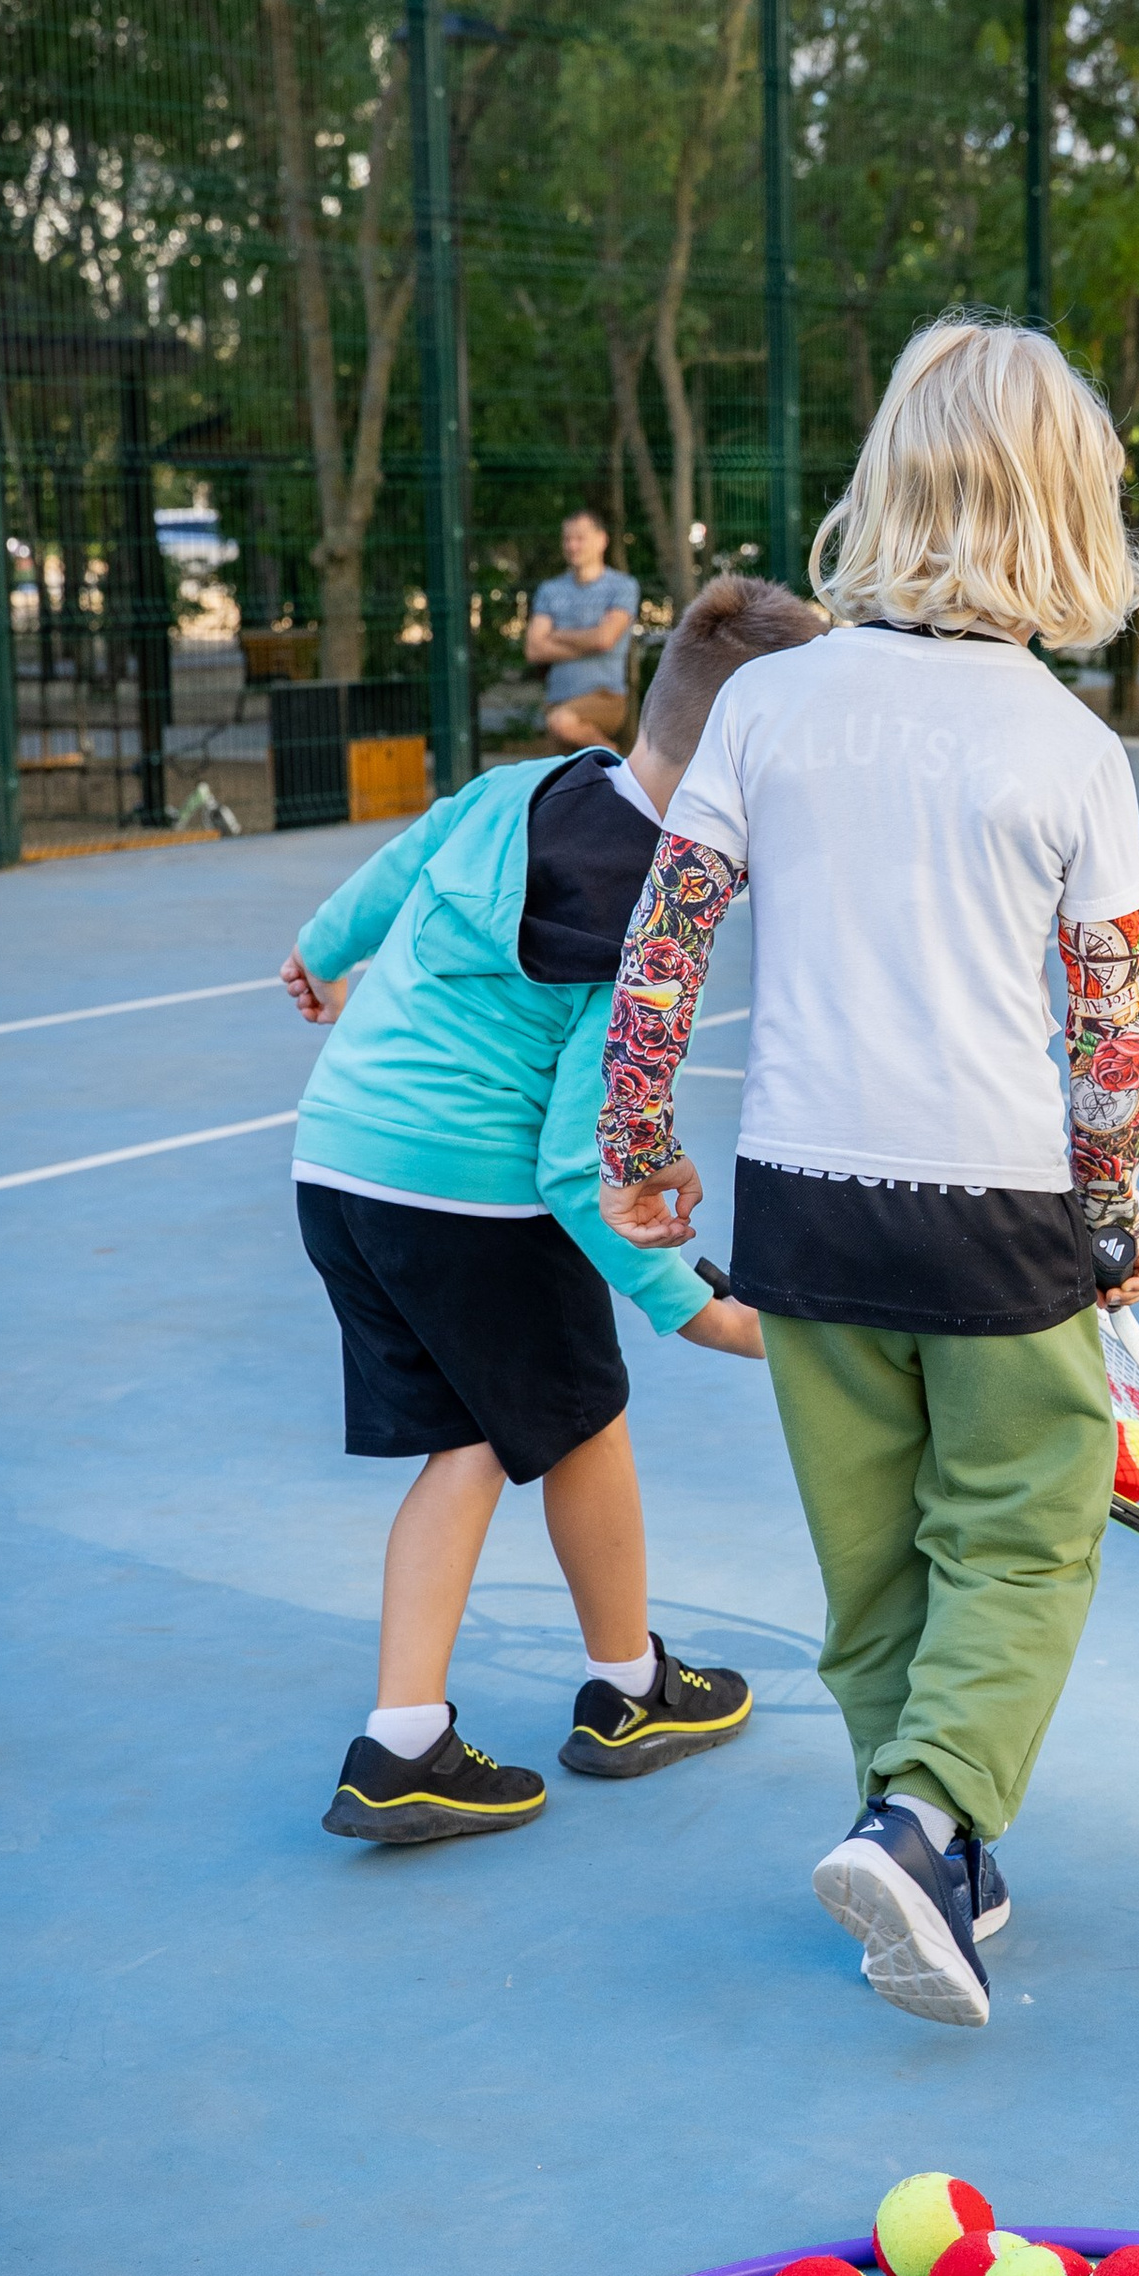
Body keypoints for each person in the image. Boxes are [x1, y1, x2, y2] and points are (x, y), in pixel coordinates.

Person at [595, 318, 1139, 2033]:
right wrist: (1112, 1213)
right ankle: (923, 1821)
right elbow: (1113, 1024)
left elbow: (665, 943)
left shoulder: (767, 700)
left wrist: (639, 1147)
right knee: (1026, 1537)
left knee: (874, 1558)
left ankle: (935, 1856)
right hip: (997, 1212)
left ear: (886, 484)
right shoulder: (1069, 744)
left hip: (800, 1203)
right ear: (1068, 512)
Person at [280, 575, 822, 1844]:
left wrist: (321, 950)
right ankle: (629, 1691)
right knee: (583, 1418)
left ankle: (404, 1743)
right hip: (468, 1198)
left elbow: (402, 859)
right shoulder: (654, 921)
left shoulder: (521, 788)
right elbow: (577, 1171)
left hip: (339, 1160)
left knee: (473, 1438)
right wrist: (698, 1312)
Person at [525, 508, 641, 751]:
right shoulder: (550, 590)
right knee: (562, 751)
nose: (572, 546)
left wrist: (556, 635)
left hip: (605, 698)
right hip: (558, 701)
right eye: (567, 539)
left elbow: (605, 639)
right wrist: (591, 641)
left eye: (580, 538)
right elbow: (534, 649)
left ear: (601, 540)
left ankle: (611, 755)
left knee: (562, 723)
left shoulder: (622, 586)